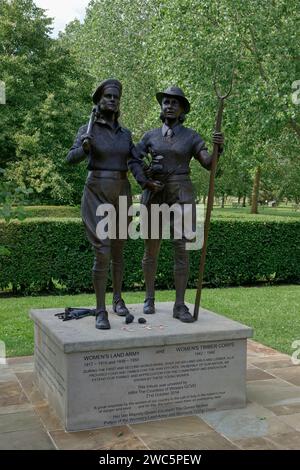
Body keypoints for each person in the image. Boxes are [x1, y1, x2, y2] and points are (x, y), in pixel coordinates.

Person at [136, 86, 224, 323]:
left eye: (175, 102)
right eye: (166, 102)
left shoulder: (192, 136)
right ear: (161, 107)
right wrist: (145, 178)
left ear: (183, 109)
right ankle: (149, 298)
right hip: (154, 195)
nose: (170, 106)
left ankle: (179, 305)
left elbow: (208, 163)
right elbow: (132, 158)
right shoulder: (149, 136)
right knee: (151, 249)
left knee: (181, 251)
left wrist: (218, 148)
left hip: (182, 194)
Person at [66, 79, 148, 330]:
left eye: (116, 97)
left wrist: (150, 177)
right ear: (99, 101)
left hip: (121, 191)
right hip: (96, 192)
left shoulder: (125, 134)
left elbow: (134, 162)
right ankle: (100, 309)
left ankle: (118, 300)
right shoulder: (88, 129)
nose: (112, 100)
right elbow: (70, 159)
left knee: (119, 250)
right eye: (108, 96)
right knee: (102, 251)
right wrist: (83, 148)